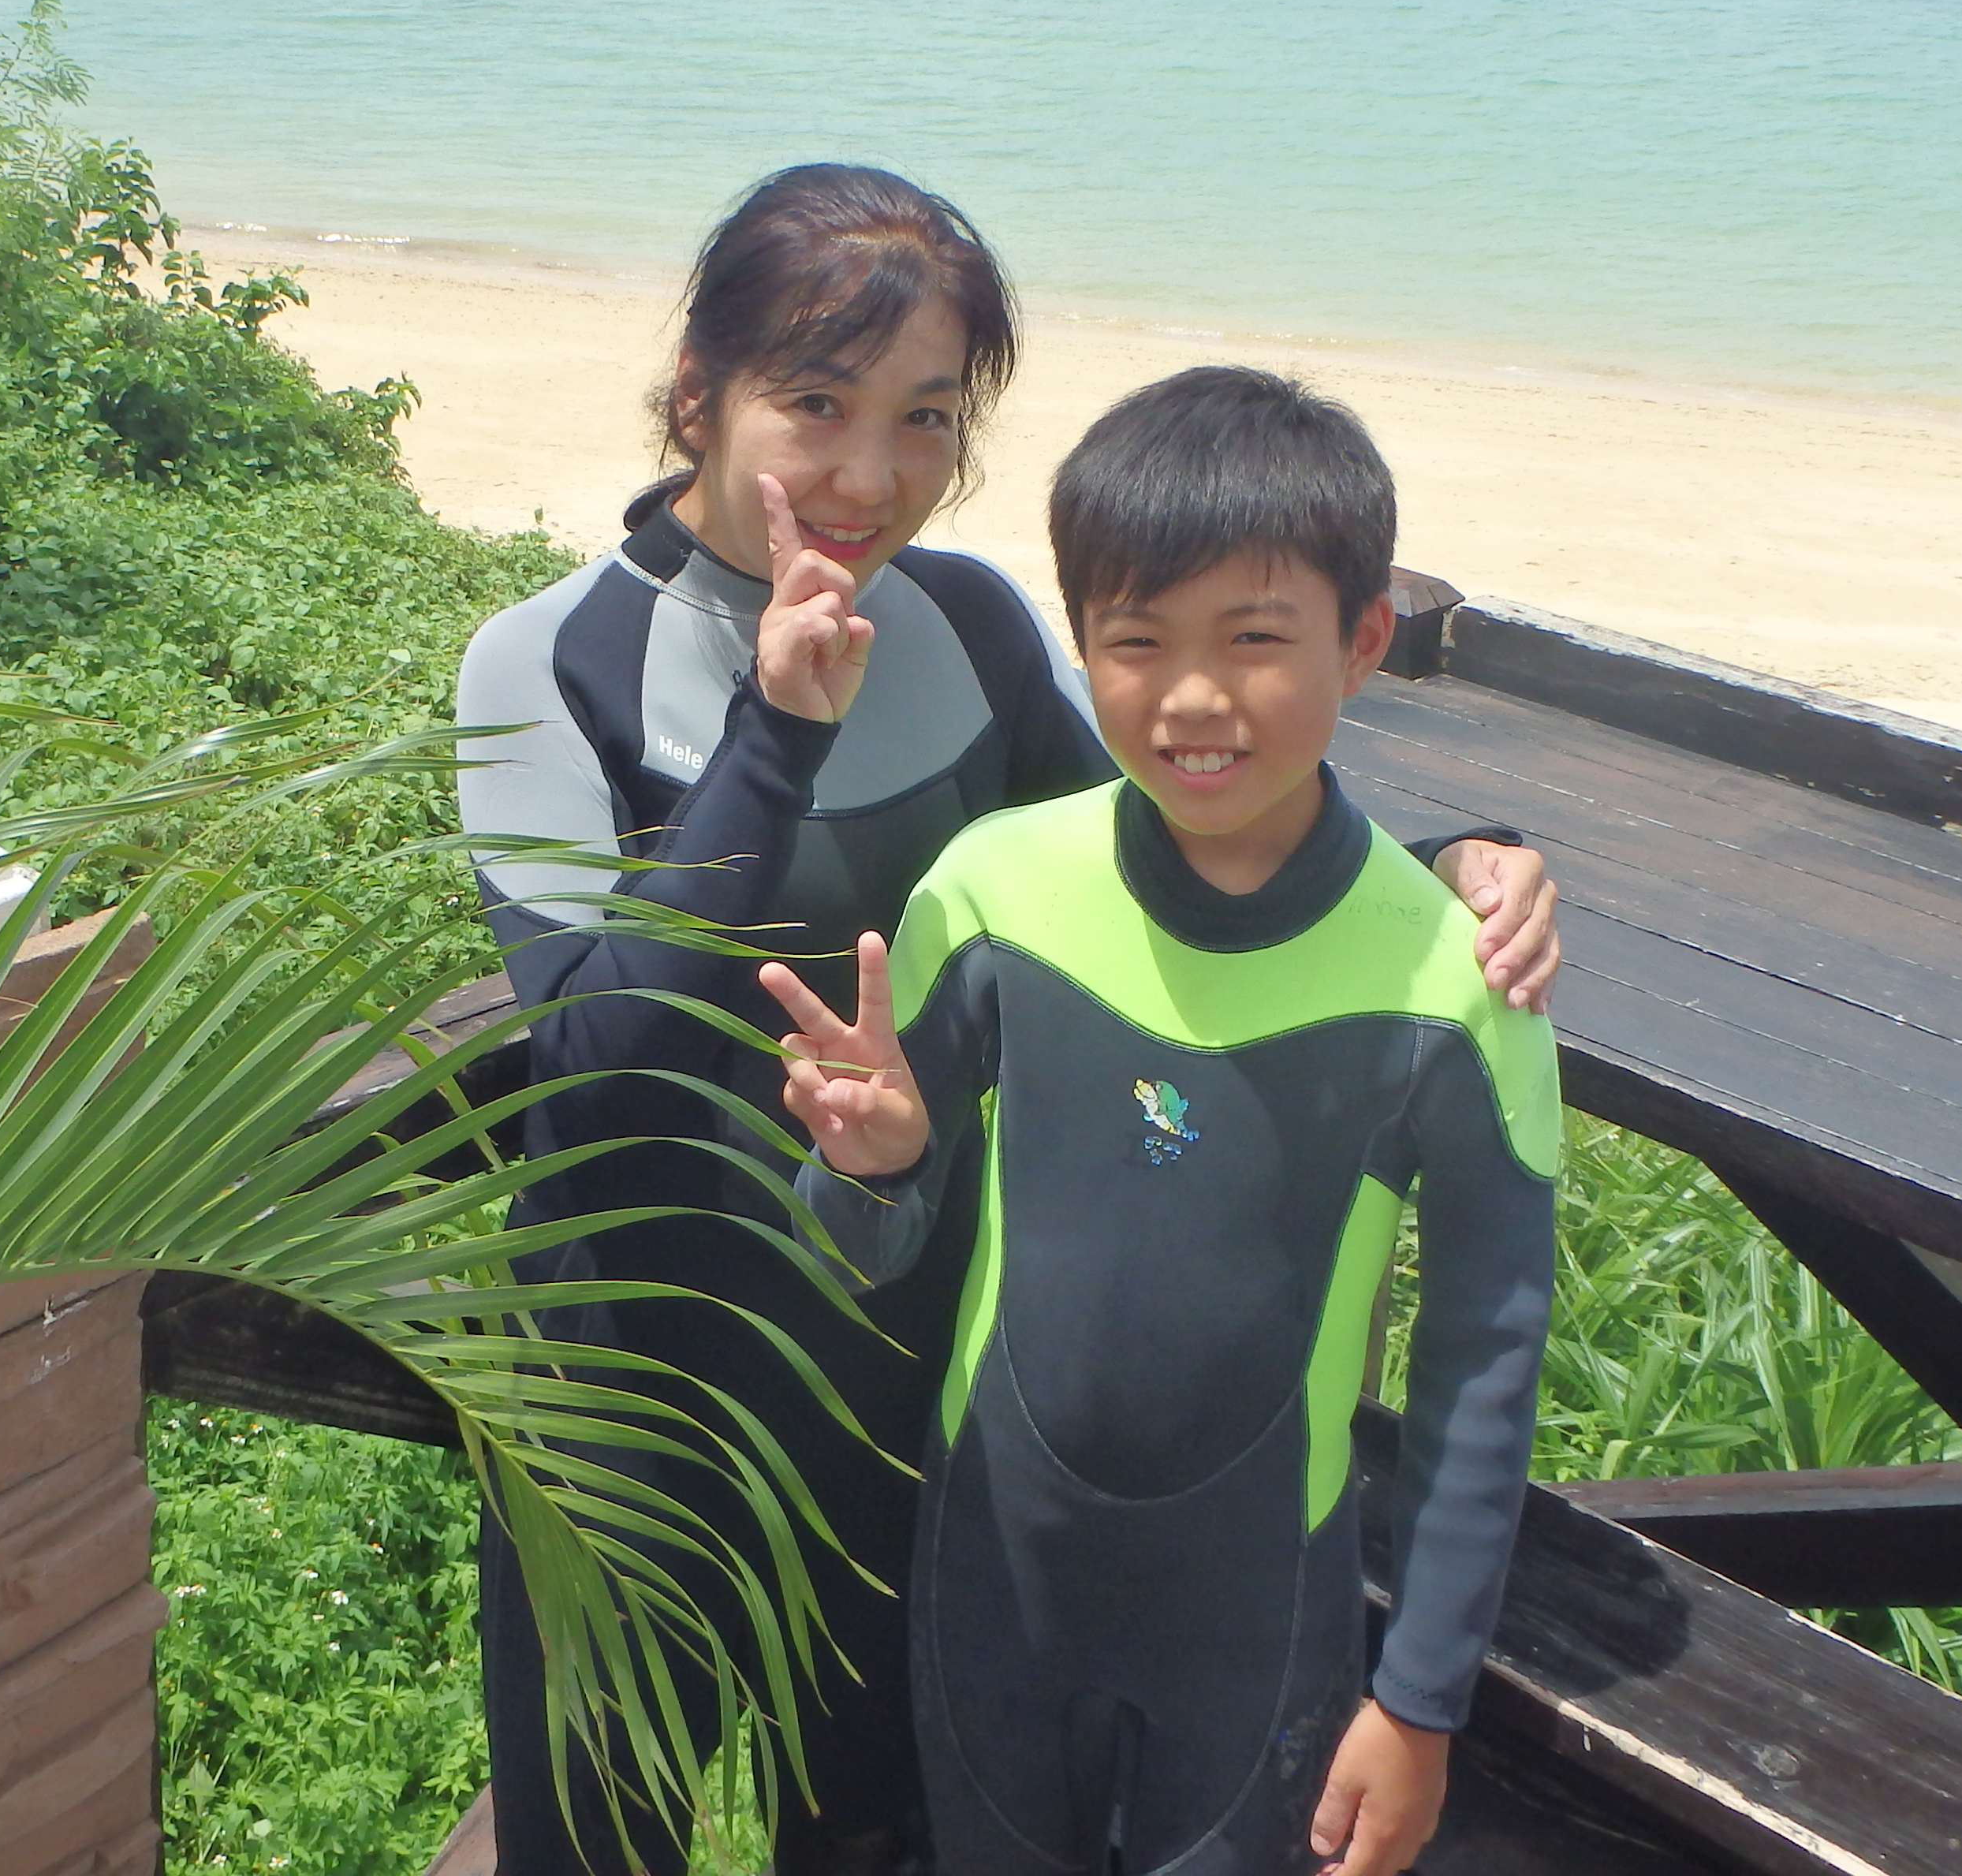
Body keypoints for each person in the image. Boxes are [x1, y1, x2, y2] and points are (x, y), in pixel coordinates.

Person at [453, 169, 1559, 1876]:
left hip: (889, 1394)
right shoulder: (546, 665)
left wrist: (1434, 873)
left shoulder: (964, 623)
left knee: (866, 1840)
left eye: (926, 417)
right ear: (699, 393)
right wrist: (773, 738)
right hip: (624, 1416)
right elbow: (594, 1072)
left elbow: (1175, 834)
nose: (871, 475)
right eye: (816, 404)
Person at [768, 366, 1562, 1876]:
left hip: (1255, 1620)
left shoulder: (1458, 986)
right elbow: (862, 1247)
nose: (1194, 699)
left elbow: (1484, 1370)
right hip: (992, 1584)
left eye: (1255, 640)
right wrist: (872, 1168)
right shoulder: (994, 892)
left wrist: (1421, 1699)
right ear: (1082, 645)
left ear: (1364, 640)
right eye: (1137, 643)